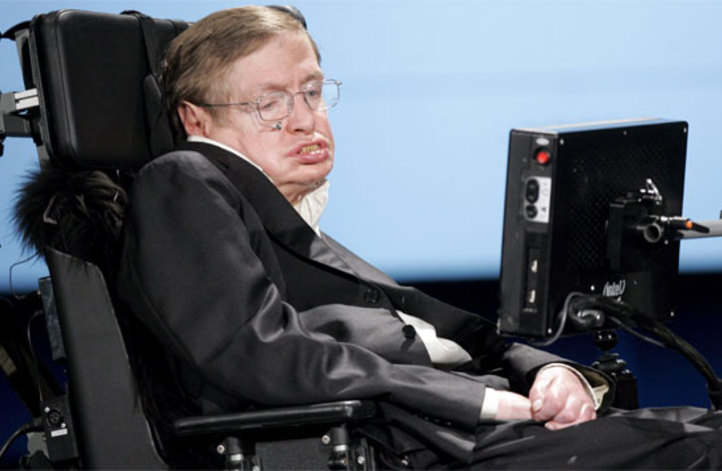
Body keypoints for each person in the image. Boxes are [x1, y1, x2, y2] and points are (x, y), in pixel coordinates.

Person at [115, 5, 722, 469]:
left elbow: (471, 338)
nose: (304, 119)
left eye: (311, 91)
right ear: (196, 118)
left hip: (475, 427)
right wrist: (481, 402)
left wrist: (553, 373)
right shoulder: (182, 179)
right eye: (269, 103)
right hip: (422, 442)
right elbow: (260, 354)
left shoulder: (290, 226)